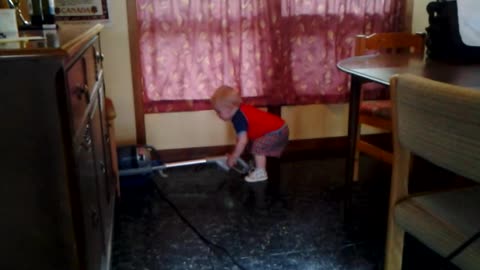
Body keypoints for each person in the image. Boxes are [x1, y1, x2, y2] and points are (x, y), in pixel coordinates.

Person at [210, 85, 289, 183]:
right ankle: (256, 164)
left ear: (229, 108)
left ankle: (261, 172)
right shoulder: (240, 111)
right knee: (250, 144)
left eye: (218, 111)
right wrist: (235, 153)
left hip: (278, 131)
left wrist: (234, 157)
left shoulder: (239, 118)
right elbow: (241, 140)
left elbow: (242, 141)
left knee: (257, 146)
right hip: (280, 128)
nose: (217, 115)